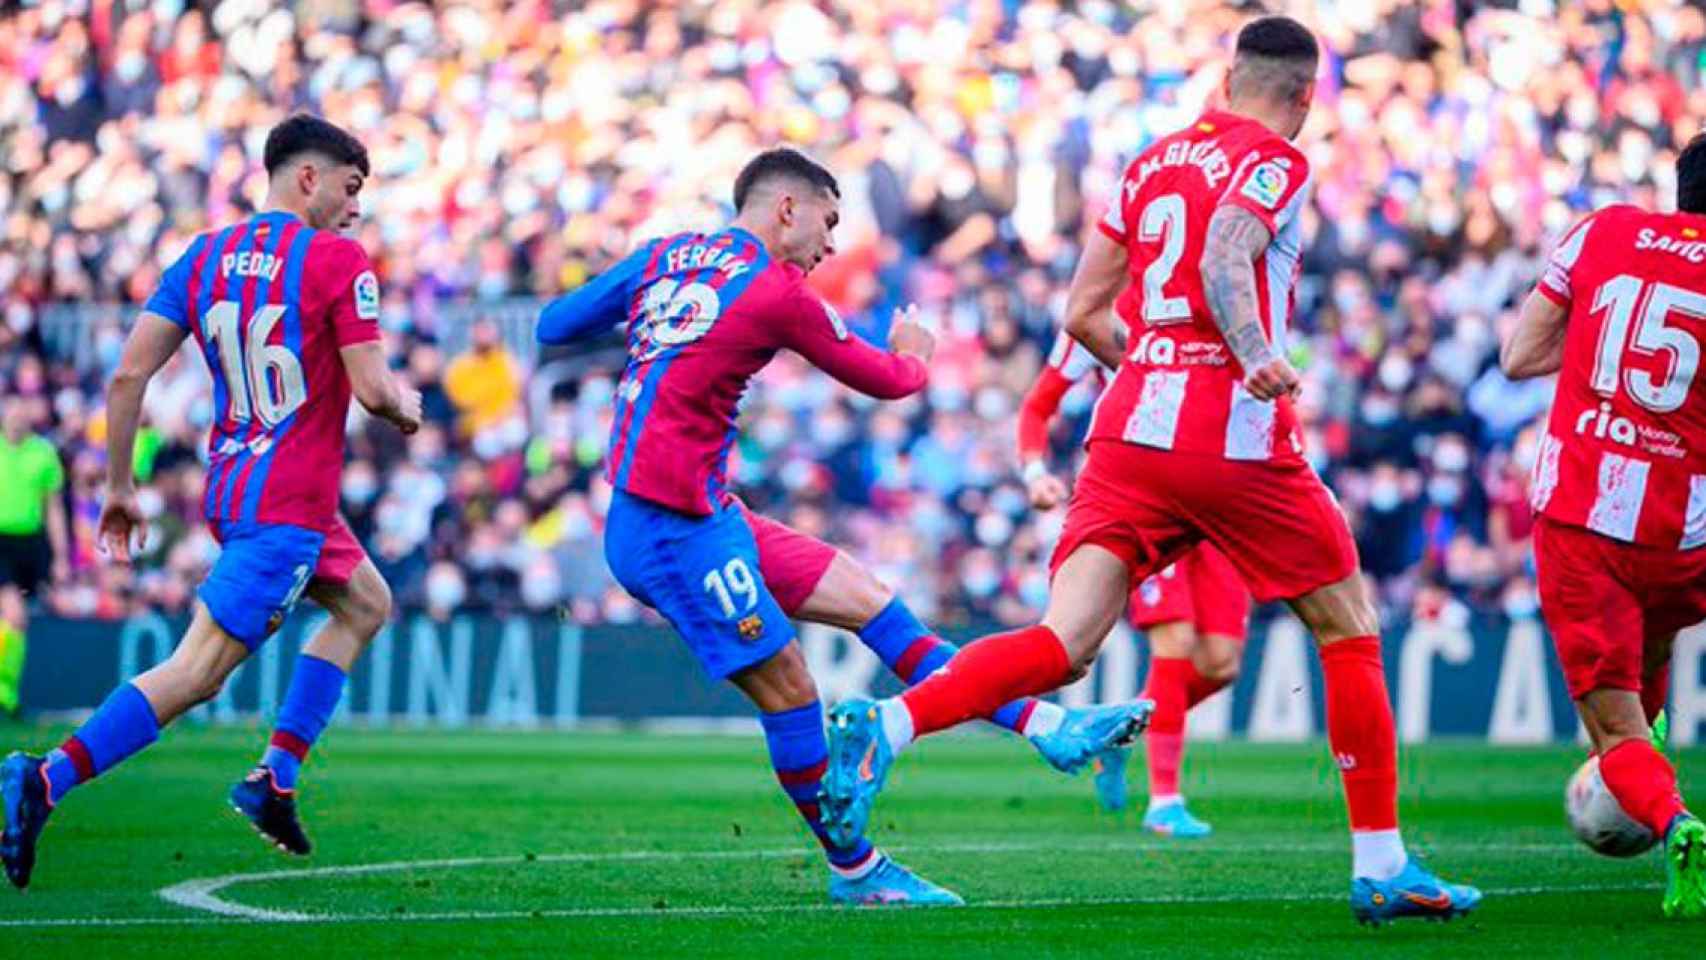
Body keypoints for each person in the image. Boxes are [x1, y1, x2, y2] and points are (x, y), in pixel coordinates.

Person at [820, 16, 1480, 924]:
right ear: (1301, 97)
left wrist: (1156, 360)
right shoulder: (1277, 160)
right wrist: (1247, 354)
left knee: (1064, 641)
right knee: (1348, 626)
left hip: (1128, 431)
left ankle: (887, 728)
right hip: (1234, 434)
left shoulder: (1151, 161)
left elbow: (1083, 307)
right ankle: (1383, 864)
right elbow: (1224, 255)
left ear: (1227, 76)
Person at [537, 147, 1146, 907]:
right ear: (786, 209)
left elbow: (555, 322)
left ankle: (1046, 725)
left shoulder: (668, 253)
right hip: (673, 530)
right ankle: (856, 869)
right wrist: (916, 358)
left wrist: (651, 309)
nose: (829, 245)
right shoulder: (774, 288)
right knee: (792, 690)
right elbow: (885, 380)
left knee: (871, 601)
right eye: (827, 223)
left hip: (706, 510)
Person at [0, 114, 422, 890]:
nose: (355, 208)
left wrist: (121, 486)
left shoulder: (203, 255)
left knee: (365, 602)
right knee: (196, 674)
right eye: (350, 188)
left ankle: (274, 779)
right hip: (288, 502)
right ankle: (43, 778)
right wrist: (406, 408)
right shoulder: (336, 258)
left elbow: (128, 376)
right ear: (307, 178)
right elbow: (370, 389)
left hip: (235, 487)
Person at [1499, 131, 1706, 920]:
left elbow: (1521, 357)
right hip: (1683, 531)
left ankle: (1672, 818)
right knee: (1655, 639)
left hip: (1582, 516)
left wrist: (1598, 358)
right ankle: (1645, 769)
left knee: (1613, 726)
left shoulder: (1604, 229)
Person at [1018, 331, 1251, 833]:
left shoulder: (1221, 298)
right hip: (1145, 496)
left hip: (1221, 493)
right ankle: (1164, 802)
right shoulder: (1098, 316)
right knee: (1176, 641)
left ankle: (1119, 735)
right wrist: (1035, 472)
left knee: (1220, 663)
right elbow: (1038, 405)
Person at [0, 394, 69, 717]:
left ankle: (8, 692)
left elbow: (53, 509)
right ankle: (6, 695)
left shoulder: (42, 453)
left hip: (29, 544)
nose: (16, 417)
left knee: (17, 623)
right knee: (14, 614)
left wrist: (60, 556)